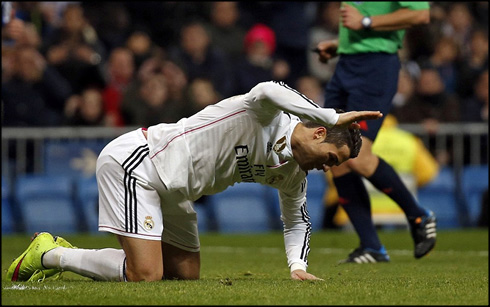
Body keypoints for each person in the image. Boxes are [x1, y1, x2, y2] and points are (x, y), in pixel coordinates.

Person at [7, 80, 382, 282]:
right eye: (332, 159)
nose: (329, 168)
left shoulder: (292, 174)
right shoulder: (267, 112)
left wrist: (296, 267)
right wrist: (330, 114)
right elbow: (270, 87)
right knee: (146, 275)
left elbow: (297, 220)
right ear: (319, 134)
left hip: (176, 193)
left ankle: (72, 253)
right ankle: (51, 253)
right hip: (140, 163)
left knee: (184, 276)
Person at [314, 2, 436, 263]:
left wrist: (366, 23)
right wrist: (341, 44)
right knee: (334, 156)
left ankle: (419, 215)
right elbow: (362, 20)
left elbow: (419, 13)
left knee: (357, 155)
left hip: (375, 68)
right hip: (346, 65)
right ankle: (372, 247)